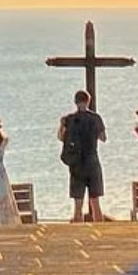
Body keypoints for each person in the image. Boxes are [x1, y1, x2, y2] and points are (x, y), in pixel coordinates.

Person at [58, 89, 106, 223]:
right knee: (95, 202)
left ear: (75, 102)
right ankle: (99, 230)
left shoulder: (69, 119)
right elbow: (103, 138)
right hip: (92, 161)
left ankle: (78, 230)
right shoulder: (95, 118)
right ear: (88, 101)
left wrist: (61, 125)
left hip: (76, 163)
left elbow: (61, 138)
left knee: (78, 203)